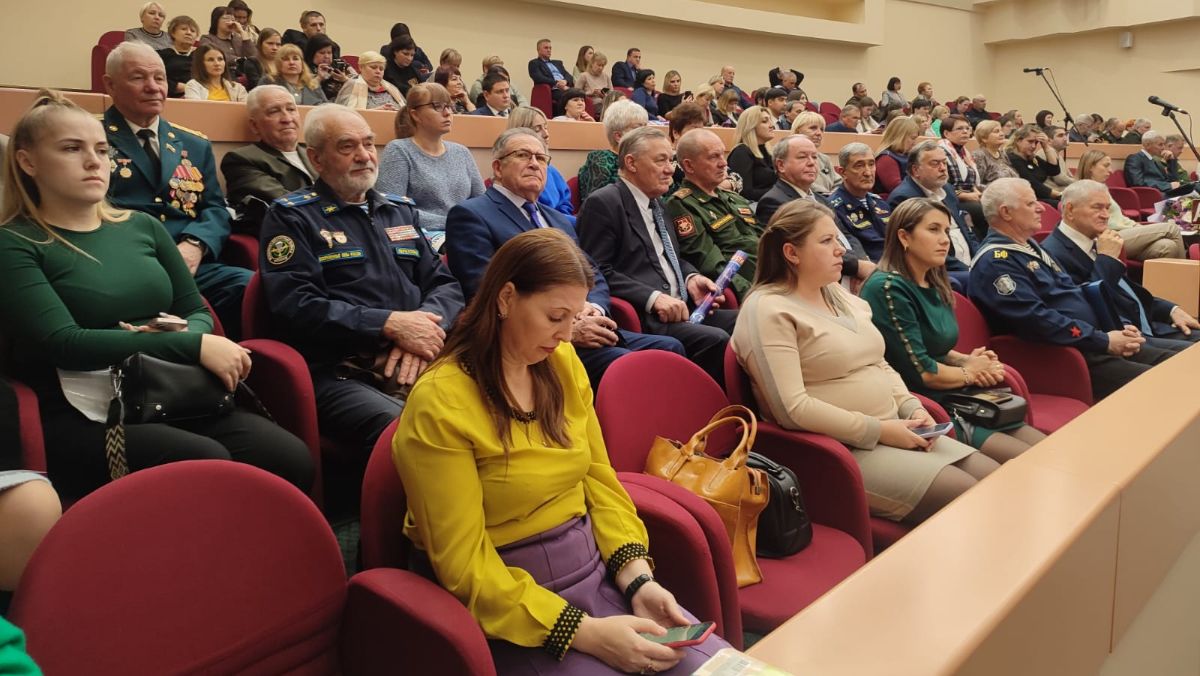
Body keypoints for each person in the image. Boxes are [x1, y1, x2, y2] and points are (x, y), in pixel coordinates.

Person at [395, 226, 729, 674]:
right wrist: (583, 632)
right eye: (556, 316)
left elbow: (598, 478)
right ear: (506, 298)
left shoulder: (560, 360)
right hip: (511, 605)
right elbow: (464, 565)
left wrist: (637, 578)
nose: (567, 334)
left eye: (575, 317)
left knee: (722, 668)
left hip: (596, 572)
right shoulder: (441, 400)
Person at [0, 90, 312, 501]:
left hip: (170, 389)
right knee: (205, 464)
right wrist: (192, 344)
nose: (94, 161)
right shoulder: (15, 243)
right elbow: (65, 343)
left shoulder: (142, 226)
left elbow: (195, 309)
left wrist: (186, 336)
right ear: (28, 162)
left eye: (101, 149)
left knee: (289, 459)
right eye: (71, 149)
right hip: (85, 408)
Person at [731, 200, 997, 524]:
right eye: (826, 241)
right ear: (792, 253)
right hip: (835, 452)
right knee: (972, 496)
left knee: (996, 476)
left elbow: (878, 363)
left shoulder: (836, 293)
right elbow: (791, 408)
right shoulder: (767, 309)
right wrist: (880, 430)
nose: (840, 249)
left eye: (837, 238)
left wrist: (911, 407)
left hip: (894, 429)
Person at [259, 104, 464, 454]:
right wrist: (389, 325)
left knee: (493, 407)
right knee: (416, 434)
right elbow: (296, 306)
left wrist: (423, 329)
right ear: (317, 159)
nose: (364, 156)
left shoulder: (399, 210)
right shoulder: (292, 218)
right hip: (342, 370)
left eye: (368, 143)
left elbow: (445, 285)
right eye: (347, 146)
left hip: (419, 351)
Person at [445, 128, 685, 387]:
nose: (534, 164)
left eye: (541, 158)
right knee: (629, 367)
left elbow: (592, 272)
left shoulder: (560, 220)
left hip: (585, 324)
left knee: (670, 349)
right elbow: (485, 290)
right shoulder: (472, 214)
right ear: (498, 168)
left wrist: (594, 308)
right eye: (523, 155)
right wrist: (567, 326)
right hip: (528, 339)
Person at [861, 199, 1046, 459]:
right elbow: (923, 372)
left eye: (947, 231)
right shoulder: (888, 288)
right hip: (923, 405)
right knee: (1031, 461)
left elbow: (936, 348)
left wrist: (968, 361)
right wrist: (970, 373)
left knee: (1047, 448)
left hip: (956, 394)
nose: (945, 239)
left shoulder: (932, 279)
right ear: (904, 237)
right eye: (933, 229)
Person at [969, 178, 1176, 401]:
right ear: (1006, 212)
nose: (1041, 207)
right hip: (1066, 356)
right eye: (1030, 204)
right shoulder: (997, 261)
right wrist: (1103, 340)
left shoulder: (1028, 246)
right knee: (1171, 383)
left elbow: (1072, 293)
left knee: (1185, 361)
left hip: (1092, 340)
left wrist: (1112, 326)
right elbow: (1037, 320)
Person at [102, 43, 251, 335]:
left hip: (189, 264)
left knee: (249, 286)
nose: (153, 87)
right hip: (123, 266)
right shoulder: (91, 137)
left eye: (159, 78)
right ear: (110, 85)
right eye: (138, 78)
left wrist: (195, 245)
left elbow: (214, 208)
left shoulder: (194, 143)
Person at [578, 127, 738, 384]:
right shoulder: (604, 203)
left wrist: (691, 278)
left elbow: (669, 257)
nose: (670, 169)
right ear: (631, 163)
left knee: (748, 320)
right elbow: (596, 270)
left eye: (671, 160)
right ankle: (709, 405)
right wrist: (652, 298)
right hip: (648, 315)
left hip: (684, 306)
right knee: (714, 339)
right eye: (661, 160)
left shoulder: (659, 204)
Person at [1042, 181, 1200, 352]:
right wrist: (1107, 259)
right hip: (1119, 338)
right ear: (1070, 210)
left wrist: (1171, 310)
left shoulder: (1097, 241)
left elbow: (1128, 292)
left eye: (1107, 208)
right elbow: (1087, 305)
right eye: (1097, 207)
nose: (1106, 215)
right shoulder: (1053, 253)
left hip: (1148, 326)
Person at [757, 136, 877, 289]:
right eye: (802, 157)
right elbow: (806, 250)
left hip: (844, 274)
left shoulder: (820, 199)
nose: (811, 162)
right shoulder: (774, 202)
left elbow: (846, 235)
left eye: (814, 157)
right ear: (781, 165)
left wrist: (862, 263)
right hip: (811, 285)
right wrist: (857, 267)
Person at [377, 83, 485, 251]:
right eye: (437, 106)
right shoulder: (399, 150)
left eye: (449, 106)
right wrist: (455, 221)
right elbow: (392, 209)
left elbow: (481, 201)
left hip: (467, 232)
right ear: (415, 114)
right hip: (424, 239)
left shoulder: (461, 152)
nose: (447, 112)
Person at [666, 129, 762, 299]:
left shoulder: (734, 198)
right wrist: (754, 294)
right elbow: (711, 264)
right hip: (751, 291)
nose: (723, 163)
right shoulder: (682, 204)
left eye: (722, 155)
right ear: (689, 166)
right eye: (713, 157)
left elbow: (765, 240)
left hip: (776, 281)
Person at [220, 85, 317, 232]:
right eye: (274, 111)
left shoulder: (314, 153)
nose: (287, 118)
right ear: (254, 125)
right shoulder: (242, 160)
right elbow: (287, 204)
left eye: (291, 109)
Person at [887, 141, 981, 274]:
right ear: (915, 170)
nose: (943, 168)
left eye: (944, 163)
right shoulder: (904, 198)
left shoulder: (948, 189)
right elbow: (923, 250)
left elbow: (966, 230)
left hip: (969, 266)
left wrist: (980, 260)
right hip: (940, 272)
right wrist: (971, 272)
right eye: (935, 163)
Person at [1077, 150, 1185, 260]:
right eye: (1106, 166)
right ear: (1090, 167)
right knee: (1171, 228)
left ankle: (1160, 272)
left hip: (1125, 232)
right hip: (1109, 237)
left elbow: (1119, 218)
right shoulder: (1083, 191)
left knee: (1168, 246)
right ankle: (1187, 270)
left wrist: (1135, 226)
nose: (1110, 170)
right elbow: (1096, 225)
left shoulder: (1102, 188)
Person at [506, 107, 578, 224]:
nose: (546, 134)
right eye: (537, 129)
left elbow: (565, 203)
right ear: (521, 133)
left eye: (546, 127)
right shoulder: (516, 173)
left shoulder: (552, 171)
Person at [827, 143, 892, 261]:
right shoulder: (833, 209)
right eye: (859, 166)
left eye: (871, 164)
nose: (868, 173)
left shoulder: (880, 203)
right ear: (842, 172)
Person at [578, 100, 648, 201]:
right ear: (618, 136)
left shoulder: (645, 158)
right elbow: (598, 202)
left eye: (645, 127)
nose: (645, 133)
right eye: (638, 128)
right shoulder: (601, 160)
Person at [936, 114, 987, 236]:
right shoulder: (941, 152)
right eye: (960, 128)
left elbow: (971, 180)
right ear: (947, 133)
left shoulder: (963, 152)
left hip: (969, 196)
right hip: (949, 199)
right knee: (982, 209)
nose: (965, 132)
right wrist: (965, 195)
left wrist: (976, 191)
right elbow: (941, 185)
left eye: (967, 128)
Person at [725, 106, 777, 202]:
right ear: (751, 126)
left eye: (771, 120)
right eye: (765, 121)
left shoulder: (769, 151)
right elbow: (745, 193)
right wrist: (778, 192)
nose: (772, 125)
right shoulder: (741, 153)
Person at [1006, 124, 1062, 207]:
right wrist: (1059, 195)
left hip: (1038, 197)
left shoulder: (1032, 158)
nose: (1034, 146)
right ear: (1018, 141)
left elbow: (1054, 171)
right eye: (1030, 141)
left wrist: (1046, 147)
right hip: (1025, 200)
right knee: (1063, 205)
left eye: (1036, 142)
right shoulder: (1012, 158)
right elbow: (1032, 184)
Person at [1124, 131, 1195, 195]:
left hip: (1165, 193)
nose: (1163, 147)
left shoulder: (1154, 160)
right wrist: (1168, 186)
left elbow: (1173, 180)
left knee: (1194, 188)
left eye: (1164, 144)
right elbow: (1137, 183)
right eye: (1160, 145)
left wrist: (1171, 161)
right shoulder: (1135, 158)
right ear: (1147, 145)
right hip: (1151, 196)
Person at [792, 111, 842, 195]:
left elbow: (839, 183)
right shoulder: (790, 157)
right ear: (798, 131)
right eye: (813, 128)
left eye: (821, 129)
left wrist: (833, 196)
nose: (819, 133)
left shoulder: (824, 159)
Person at [260, 43, 327, 105]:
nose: (291, 62)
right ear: (278, 64)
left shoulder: (313, 84)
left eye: (295, 59)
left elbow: (326, 106)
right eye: (286, 59)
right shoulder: (268, 82)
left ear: (302, 63)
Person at [336, 51, 403, 111]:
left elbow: (405, 111)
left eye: (381, 69)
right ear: (361, 67)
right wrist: (375, 111)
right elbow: (343, 114)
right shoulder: (351, 85)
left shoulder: (391, 88)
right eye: (373, 67)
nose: (378, 71)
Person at [198, 6, 254, 76]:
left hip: (245, 76)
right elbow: (217, 57)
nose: (231, 22)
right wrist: (239, 60)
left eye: (233, 19)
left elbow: (253, 57)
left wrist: (242, 32)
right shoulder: (207, 39)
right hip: (221, 75)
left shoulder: (239, 39)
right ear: (216, 21)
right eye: (227, 18)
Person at [184, 44, 249, 102]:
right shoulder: (193, 86)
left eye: (220, 59)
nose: (217, 63)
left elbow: (245, 110)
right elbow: (196, 110)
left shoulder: (238, 88)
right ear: (201, 64)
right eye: (210, 60)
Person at [874, 116, 920, 194]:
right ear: (900, 137)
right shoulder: (886, 159)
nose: (915, 143)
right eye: (913, 138)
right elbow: (897, 189)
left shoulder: (907, 155)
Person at [528, 39, 574, 116]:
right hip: (552, 89)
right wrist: (557, 83)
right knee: (566, 96)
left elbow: (568, 76)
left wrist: (565, 81)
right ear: (538, 50)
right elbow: (539, 78)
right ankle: (563, 119)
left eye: (550, 48)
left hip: (565, 87)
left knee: (580, 94)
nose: (549, 50)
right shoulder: (534, 63)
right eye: (546, 48)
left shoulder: (558, 63)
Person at [158, 15, 199, 98]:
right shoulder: (161, 55)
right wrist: (177, 87)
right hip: (168, 96)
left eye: (193, 31)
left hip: (199, 97)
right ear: (173, 33)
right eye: (184, 29)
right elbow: (156, 78)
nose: (189, 33)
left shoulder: (202, 56)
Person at [971, 119, 1019, 190]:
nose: (1002, 134)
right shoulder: (979, 155)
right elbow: (977, 184)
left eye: (1001, 131)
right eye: (996, 131)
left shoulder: (1002, 153)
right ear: (984, 138)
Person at [306, 34, 354, 102]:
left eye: (329, 53)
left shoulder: (340, 64)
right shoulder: (305, 68)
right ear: (312, 54)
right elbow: (305, 92)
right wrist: (319, 78)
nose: (327, 56)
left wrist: (345, 80)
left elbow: (358, 82)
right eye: (322, 53)